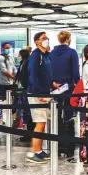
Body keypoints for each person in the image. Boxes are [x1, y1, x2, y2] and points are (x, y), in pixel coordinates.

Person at [27, 32, 60, 163]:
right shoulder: (35, 56)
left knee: (43, 122)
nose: (46, 40)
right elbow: (33, 75)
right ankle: (34, 152)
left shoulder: (45, 55)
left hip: (46, 92)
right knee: (40, 122)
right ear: (36, 42)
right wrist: (38, 93)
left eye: (47, 38)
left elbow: (46, 73)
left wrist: (52, 83)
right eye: (43, 38)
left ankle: (39, 150)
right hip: (37, 93)